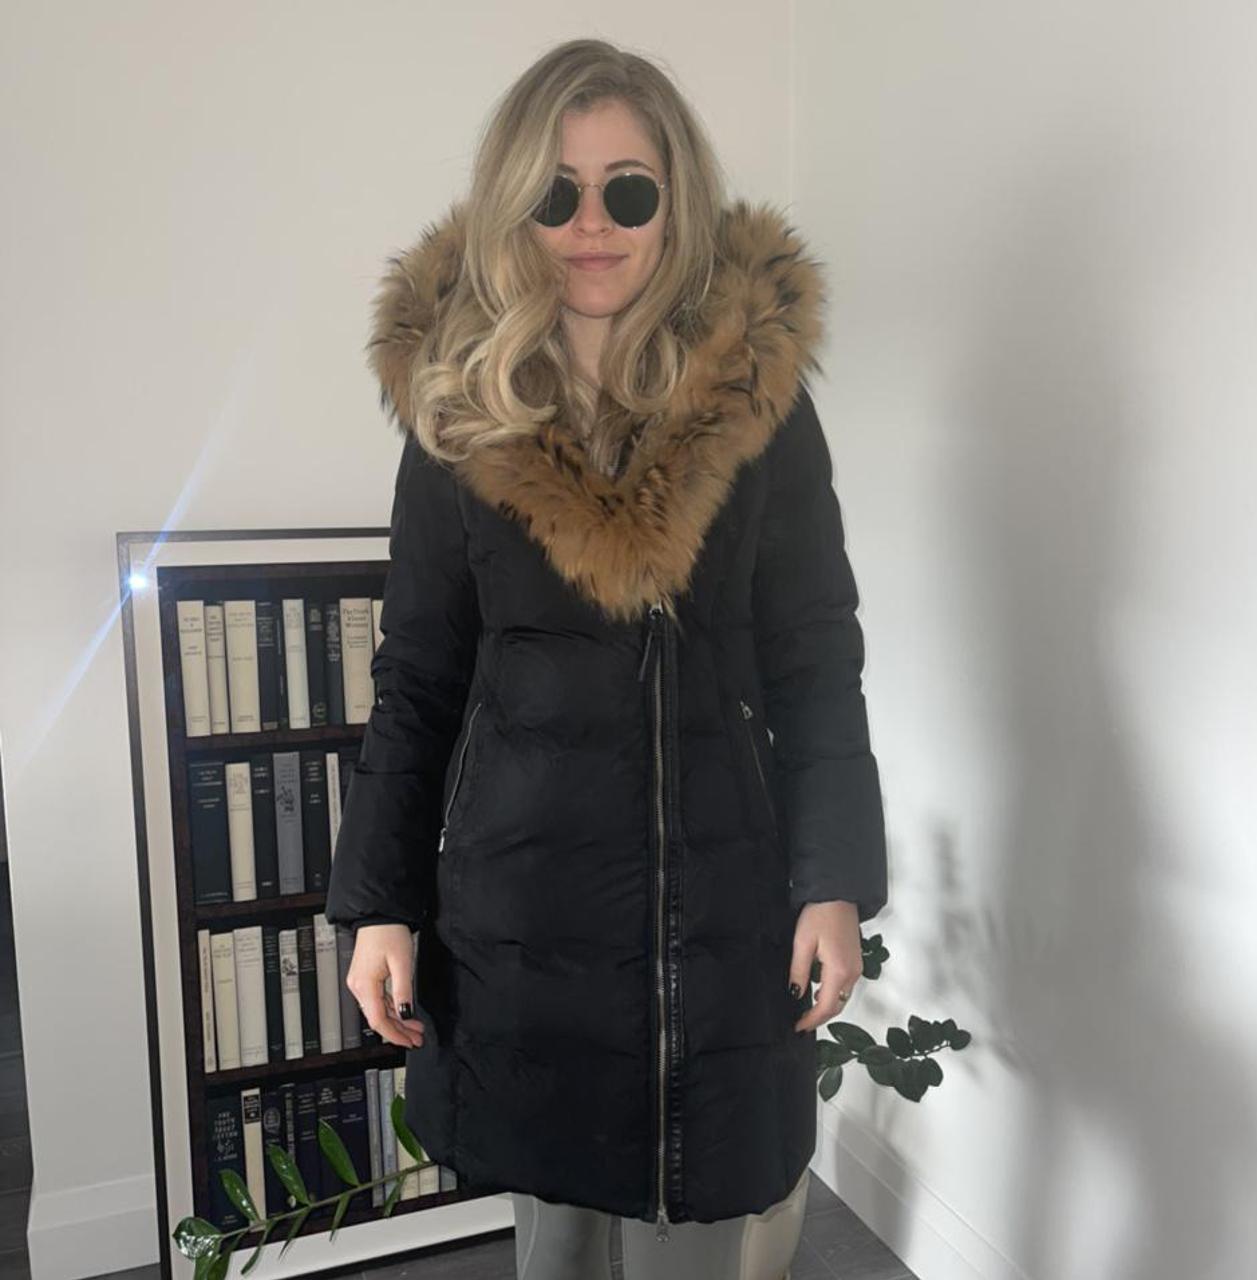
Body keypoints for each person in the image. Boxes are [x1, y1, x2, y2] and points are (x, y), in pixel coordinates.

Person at [324, 36, 888, 1280]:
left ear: (674, 200)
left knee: (699, 1227)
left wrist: (832, 877)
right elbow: (417, 673)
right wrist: (379, 902)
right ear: (511, 205)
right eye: (556, 191)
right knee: (558, 1244)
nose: (591, 224)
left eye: (627, 190)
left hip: (717, 901)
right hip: (523, 909)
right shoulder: (458, 413)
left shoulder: (757, 401)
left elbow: (812, 652)